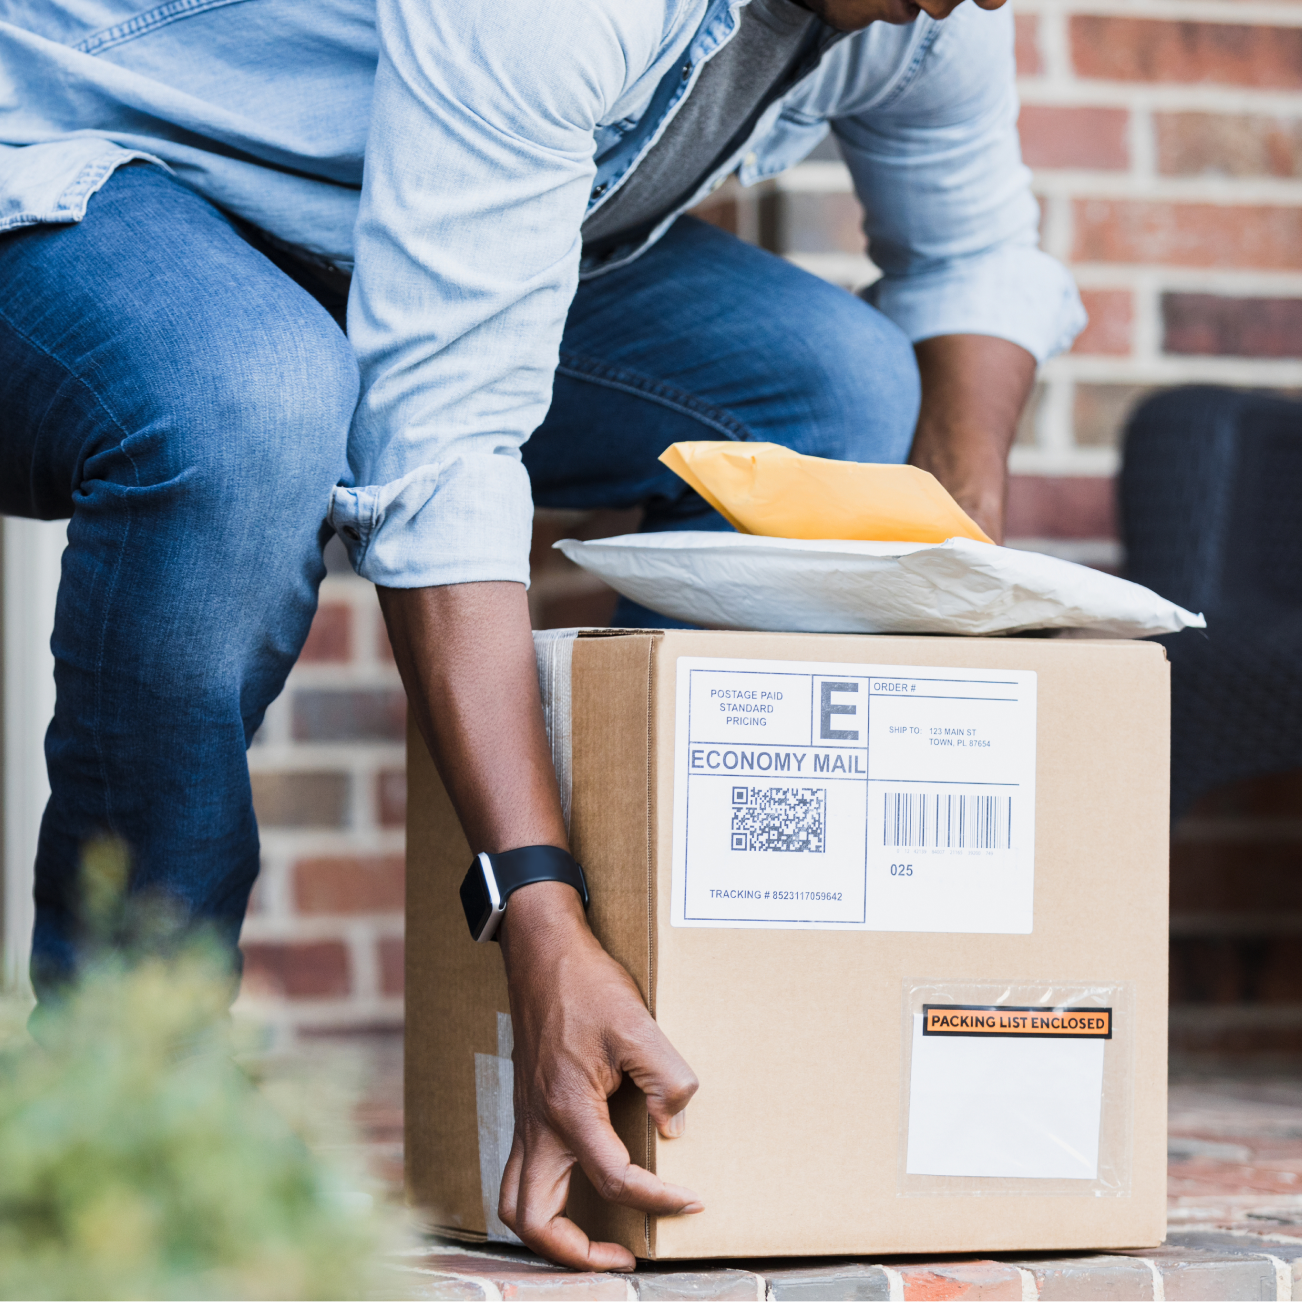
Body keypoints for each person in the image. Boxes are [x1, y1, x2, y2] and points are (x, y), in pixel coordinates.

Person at [0, 0, 1083, 1270]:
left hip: (368, 228)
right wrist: (528, 896)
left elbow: (970, 255)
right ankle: (122, 1109)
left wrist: (952, 569)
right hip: (79, 172)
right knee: (253, 402)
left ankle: (649, 1029)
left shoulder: (931, 12)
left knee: (829, 390)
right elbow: (443, 442)